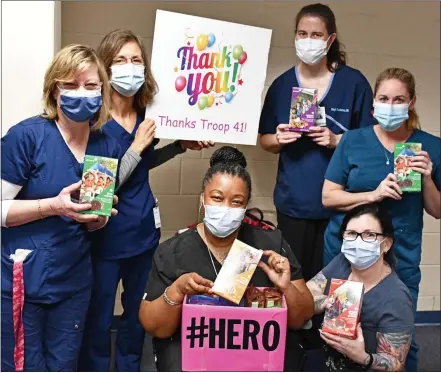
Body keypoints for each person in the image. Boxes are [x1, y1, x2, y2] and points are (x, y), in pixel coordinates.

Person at [78, 29, 214, 372]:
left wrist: (178, 147)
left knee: (136, 316)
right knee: (99, 316)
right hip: (105, 236)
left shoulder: (145, 115)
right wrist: (137, 146)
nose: (129, 67)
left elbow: (141, 167)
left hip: (142, 232)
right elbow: (100, 190)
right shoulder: (94, 120)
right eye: (120, 60)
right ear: (105, 67)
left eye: (136, 60)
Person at [139, 146, 314, 371]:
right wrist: (178, 291)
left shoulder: (270, 245)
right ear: (202, 198)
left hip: (255, 354)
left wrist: (286, 288)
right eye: (217, 198)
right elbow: (155, 327)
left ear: (246, 205)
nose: (225, 208)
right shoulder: (173, 252)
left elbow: (302, 318)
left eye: (236, 202)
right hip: (197, 354)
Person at [1, 44, 120, 371]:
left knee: (63, 366)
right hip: (22, 281)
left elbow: (92, 223)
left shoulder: (105, 144)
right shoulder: (27, 138)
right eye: (70, 84)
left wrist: (98, 218)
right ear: (54, 90)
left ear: (102, 91)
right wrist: (52, 206)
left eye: (90, 85)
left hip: (73, 282)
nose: (81, 93)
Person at [322, 67, 440, 371]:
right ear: (374, 104)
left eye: (399, 98)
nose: (391, 105)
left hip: (402, 255)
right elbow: (329, 197)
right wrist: (371, 195)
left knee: (400, 340)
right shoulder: (352, 141)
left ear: (411, 102)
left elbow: (437, 210)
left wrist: (428, 178)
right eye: (384, 98)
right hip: (350, 254)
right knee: (340, 330)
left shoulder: (431, 146)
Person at [259, 3, 374, 282]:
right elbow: (264, 140)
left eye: (316, 34)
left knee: (334, 287)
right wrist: (279, 138)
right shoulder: (282, 86)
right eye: (302, 33)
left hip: (339, 207)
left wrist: (337, 141)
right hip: (294, 204)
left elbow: (371, 142)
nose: (307, 40)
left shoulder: (354, 84)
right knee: (295, 282)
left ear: (330, 39)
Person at [305, 204, 414, 371]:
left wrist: (362, 357)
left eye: (369, 235)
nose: (358, 242)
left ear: (386, 244)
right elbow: (309, 289)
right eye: (351, 234)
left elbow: (396, 363)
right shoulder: (343, 263)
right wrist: (325, 302)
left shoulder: (396, 297)